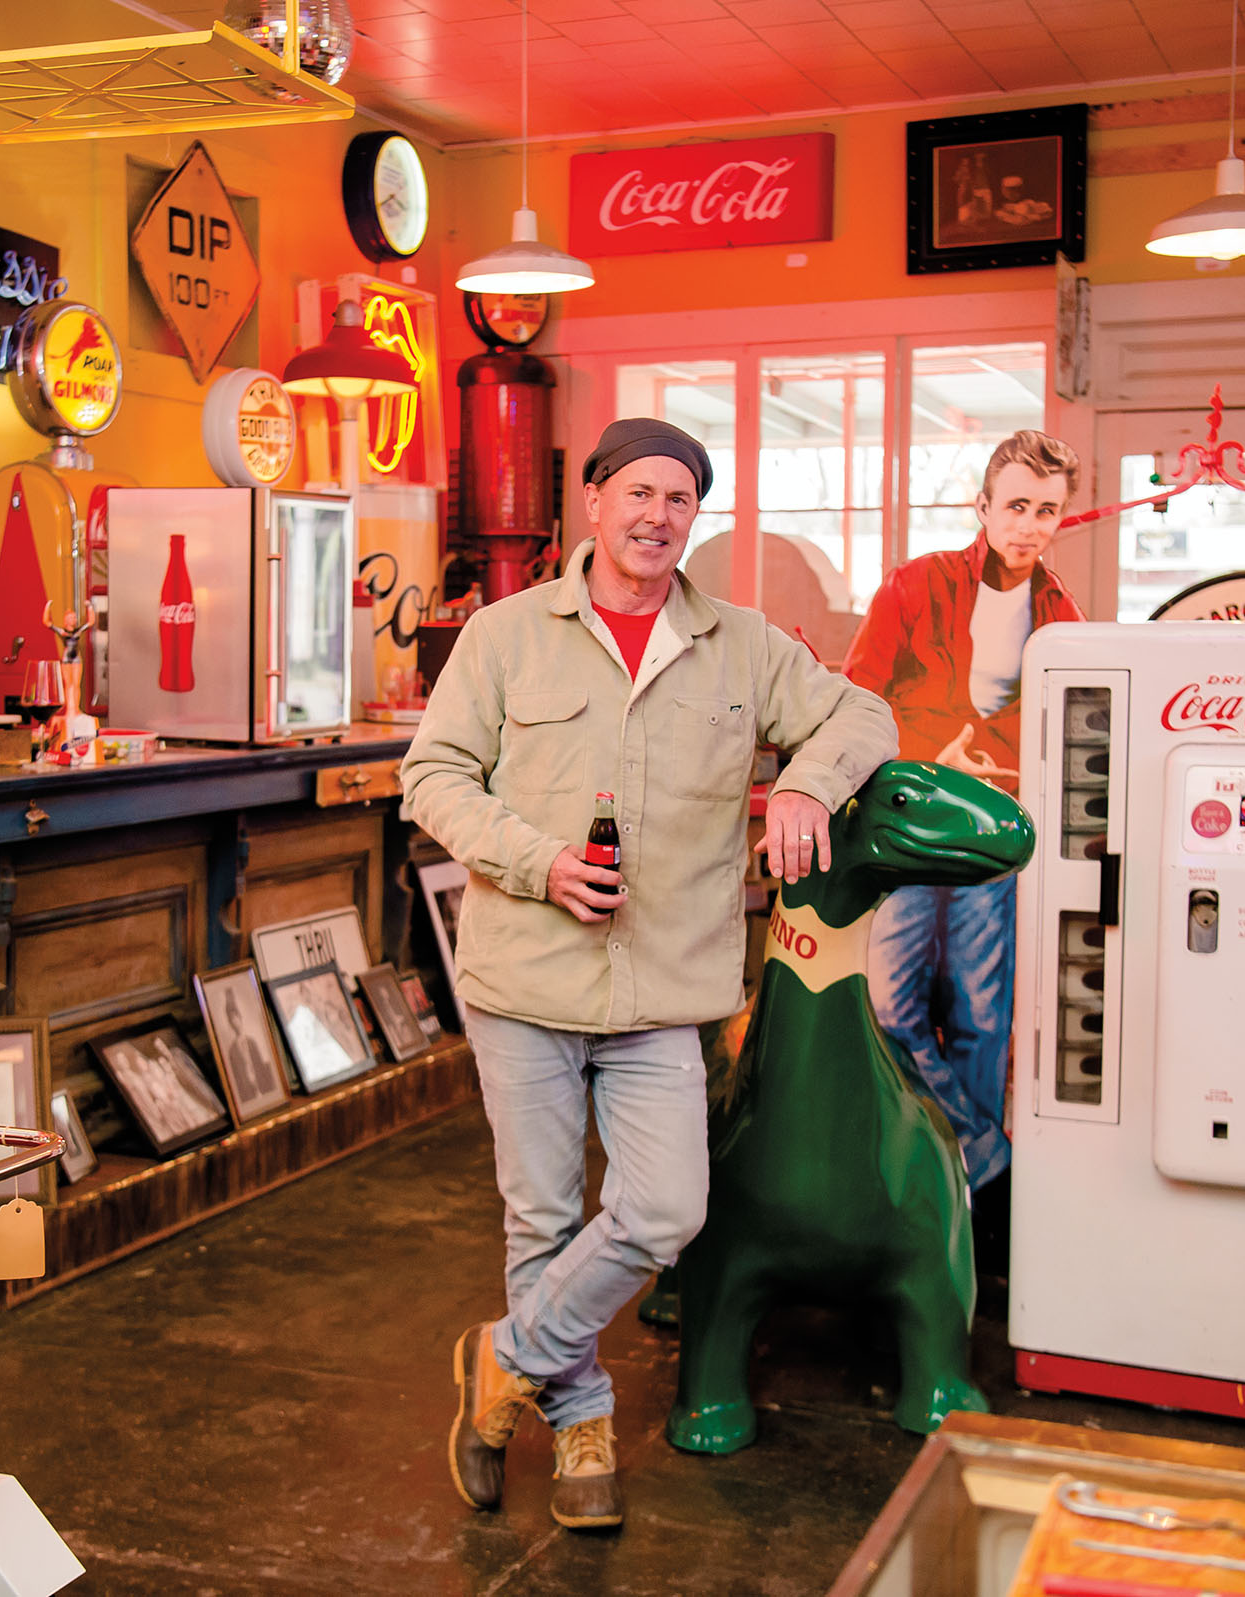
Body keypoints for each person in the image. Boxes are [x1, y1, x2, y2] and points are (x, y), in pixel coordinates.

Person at [402, 416, 896, 1532]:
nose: (656, 515)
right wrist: (539, 863)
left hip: (663, 991)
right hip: (524, 980)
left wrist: (809, 782)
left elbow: (863, 712)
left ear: (693, 518)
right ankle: (579, 1420)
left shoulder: (741, 644)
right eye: (638, 493)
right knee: (541, 1217)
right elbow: (431, 776)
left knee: (665, 1208)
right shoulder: (505, 635)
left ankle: (502, 1357)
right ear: (593, 501)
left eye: (679, 499)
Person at [840, 429, 1085, 1257]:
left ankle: (960, 1210)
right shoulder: (916, 585)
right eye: (1015, 505)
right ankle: (982, 1161)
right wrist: (922, 753)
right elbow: (858, 700)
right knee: (887, 1002)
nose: (1029, 524)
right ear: (983, 506)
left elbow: (1070, 725)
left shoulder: (1062, 613)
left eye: (1046, 510)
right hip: (912, 828)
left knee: (983, 1016)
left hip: (995, 836)